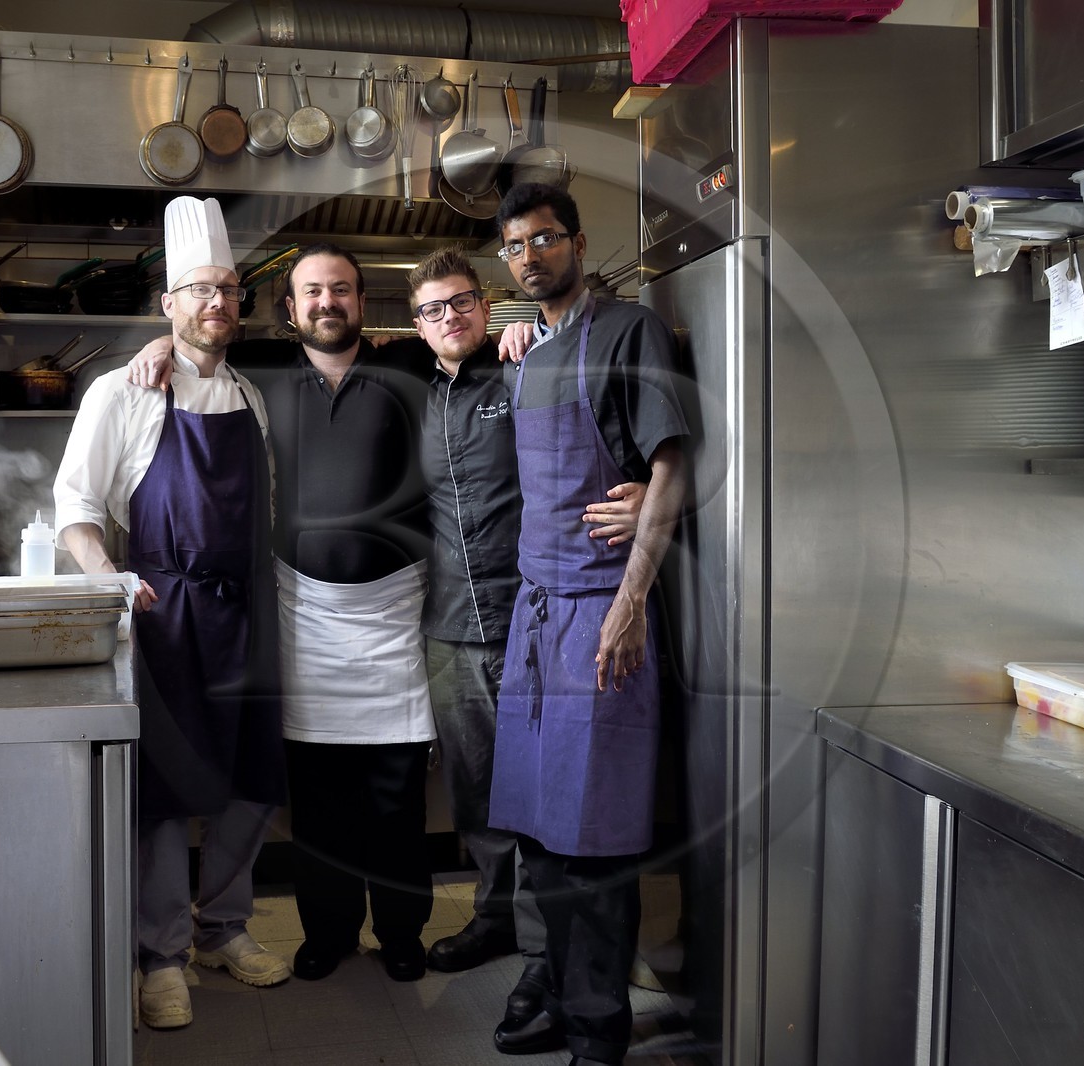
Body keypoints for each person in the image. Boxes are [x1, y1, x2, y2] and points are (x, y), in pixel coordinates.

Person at [125, 244, 437, 985]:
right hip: (304, 612)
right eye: (312, 292)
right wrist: (160, 341)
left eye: (341, 290)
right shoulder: (257, 372)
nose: (327, 302)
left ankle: (400, 933)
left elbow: (472, 347)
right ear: (289, 308)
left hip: (392, 614)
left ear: (363, 301)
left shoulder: (411, 368)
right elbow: (202, 336)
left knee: (396, 795)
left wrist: (517, 335)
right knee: (320, 795)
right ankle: (327, 932)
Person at [391, 247, 643, 1055]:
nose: (449, 318)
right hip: (451, 624)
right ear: (417, 325)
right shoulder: (412, 392)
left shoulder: (527, 370)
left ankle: (544, 959)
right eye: (432, 310)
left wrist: (644, 488)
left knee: (542, 803)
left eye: (462, 302)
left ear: (486, 304)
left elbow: (597, 430)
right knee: (479, 800)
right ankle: (498, 922)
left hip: (539, 620)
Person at [53, 197, 289, 1030]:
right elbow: (74, 509)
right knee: (163, 793)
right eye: (198, 290)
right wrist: (109, 577)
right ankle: (162, 954)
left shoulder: (254, 400)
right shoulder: (122, 390)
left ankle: (224, 926)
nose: (216, 303)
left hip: (247, 610)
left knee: (250, 781)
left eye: (227, 289)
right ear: (169, 305)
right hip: (162, 611)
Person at [487, 183, 689, 1066]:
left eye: (544, 240)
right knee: (541, 839)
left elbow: (671, 466)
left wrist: (631, 603)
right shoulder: (528, 355)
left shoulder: (630, 330)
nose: (530, 257)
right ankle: (565, 1006)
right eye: (515, 246)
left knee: (596, 844)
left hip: (604, 615)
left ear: (576, 242)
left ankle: (599, 1038)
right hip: (536, 625)